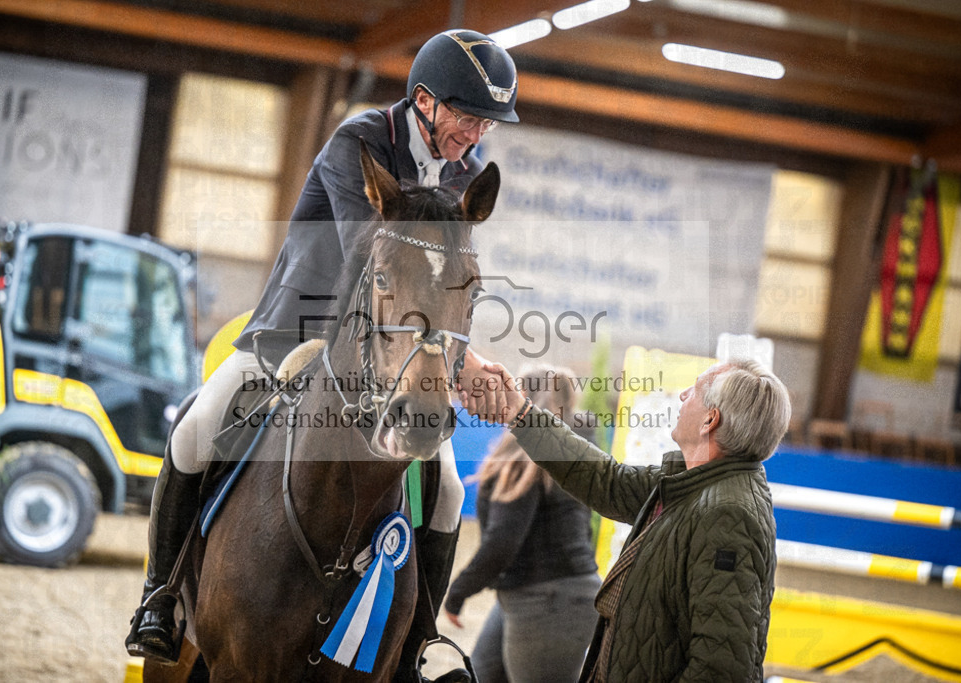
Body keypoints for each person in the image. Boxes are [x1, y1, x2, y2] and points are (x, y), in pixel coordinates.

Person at [125, 28, 519, 671]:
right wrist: (461, 363)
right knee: (196, 427)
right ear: (425, 101)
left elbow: (446, 280)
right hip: (297, 328)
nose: (475, 136)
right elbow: (362, 258)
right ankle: (158, 599)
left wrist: (453, 354)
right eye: (470, 117)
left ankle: (418, 644)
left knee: (445, 487)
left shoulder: (464, 175)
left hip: (393, 355)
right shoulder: (358, 142)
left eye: (486, 125)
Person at [459, 358, 790, 682]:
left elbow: (721, 667)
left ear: (710, 421)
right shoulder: (691, 484)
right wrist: (521, 412)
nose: (682, 395)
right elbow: (607, 480)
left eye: (696, 391)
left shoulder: (727, 515)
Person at [443, 365, 601, 683]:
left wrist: (456, 594)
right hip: (532, 593)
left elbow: (503, 541)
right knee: (484, 673)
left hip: (549, 600)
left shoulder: (524, 457)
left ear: (522, 396)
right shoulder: (572, 448)